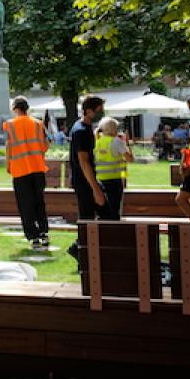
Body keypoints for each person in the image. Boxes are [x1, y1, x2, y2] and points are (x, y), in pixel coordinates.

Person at [68, 96, 115, 259]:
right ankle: (81, 251)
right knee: (94, 219)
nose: (101, 114)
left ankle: (83, 250)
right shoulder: (81, 131)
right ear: (89, 111)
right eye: (99, 111)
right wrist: (96, 189)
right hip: (85, 183)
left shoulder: (82, 127)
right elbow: (83, 161)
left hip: (87, 181)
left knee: (105, 217)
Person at [2, 96, 50, 251]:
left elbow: (9, 147)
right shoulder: (37, 123)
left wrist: (8, 164)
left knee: (25, 204)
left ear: (15, 108)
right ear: (27, 108)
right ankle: (43, 232)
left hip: (20, 169)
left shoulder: (10, 125)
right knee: (39, 202)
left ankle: (33, 236)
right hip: (37, 168)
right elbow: (46, 145)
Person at [94, 117, 135, 219]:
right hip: (114, 180)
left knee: (104, 210)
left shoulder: (98, 140)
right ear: (113, 129)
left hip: (100, 179)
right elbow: (130, 159)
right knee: (114, 211)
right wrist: (127, 143)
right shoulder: (116, 142)